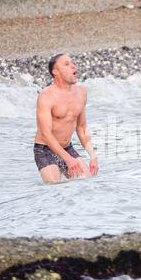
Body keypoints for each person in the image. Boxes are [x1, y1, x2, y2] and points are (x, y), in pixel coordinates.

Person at [33, 53, 98, 183]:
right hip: (45, 150)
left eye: (72, 63)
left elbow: (81, 127)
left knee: (87, 182)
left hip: (67, 147)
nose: (73, 66)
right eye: (67, 64)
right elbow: (45, 134)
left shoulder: (81, 92)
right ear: (55, 71)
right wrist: (68, 160)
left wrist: (92, 156)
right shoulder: (46, 96)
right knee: (54, 187)